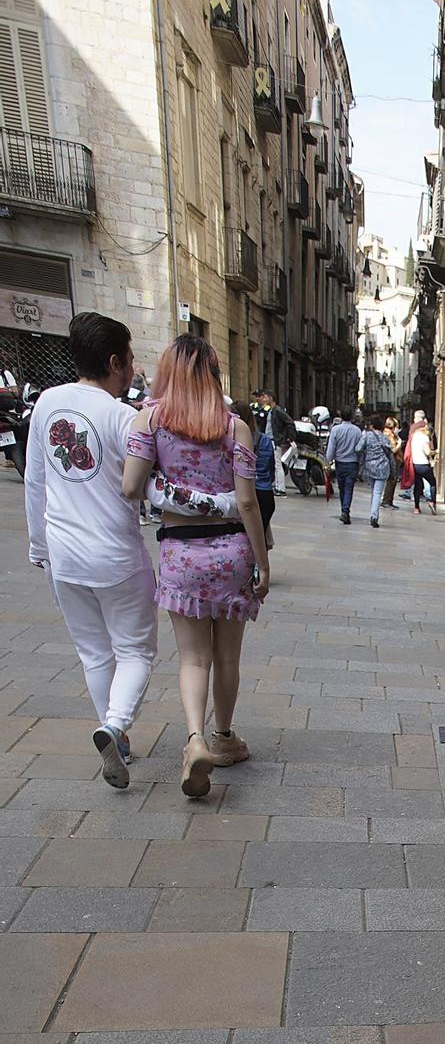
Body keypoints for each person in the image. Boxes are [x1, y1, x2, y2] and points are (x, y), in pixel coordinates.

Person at [122, 335, 269, 798]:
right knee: (228, 656)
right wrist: (263, 563)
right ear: (213, 376)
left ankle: (194, 740)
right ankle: (224, 736)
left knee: (192, 657)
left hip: (180, 553)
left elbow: (130, 485)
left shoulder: (151, 420)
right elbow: (247, 502)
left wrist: (165, 487)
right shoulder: (234, 428)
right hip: (230, 552)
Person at [24, 310, 157, 789]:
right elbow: (146, 488)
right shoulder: (124, 417)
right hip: (116, 554)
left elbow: (35, 481)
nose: (132, 371)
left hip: (63, 554)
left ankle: (115, 741)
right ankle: (115, 725)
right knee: (136, 651)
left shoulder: (45, 403)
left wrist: (39, 546)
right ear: (114, 361)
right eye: (130, 362)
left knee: (95, 654)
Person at [326, 407, 365, 522]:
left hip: (340, 463)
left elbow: (331, 447)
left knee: (342, 487)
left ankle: (344, 510)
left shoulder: (335, 430)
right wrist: (360, 462)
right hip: (353, 463)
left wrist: (328, 460)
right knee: (349, 488)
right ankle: (345, 510)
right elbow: (360, 448)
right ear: (352, 416)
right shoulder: (357, 431)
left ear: (341, 416)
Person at [360, 414, 395, 528]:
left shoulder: (366, 436)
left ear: (371, 425)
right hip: (383, 468)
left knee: (373, 491)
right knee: (377, 492)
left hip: (370, 467)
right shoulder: (385, 437)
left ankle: (373, 513)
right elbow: (390, 453)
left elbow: (358, 448)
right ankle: (374, 516)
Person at [403, 409, 437, 514]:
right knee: (432, 483)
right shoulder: (424, 437)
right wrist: (435, 452)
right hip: (423, 465)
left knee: (417, 485)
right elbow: (427, 452)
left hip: (415, 464)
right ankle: (432, 501)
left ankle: (416, 508)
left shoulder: (414, 436)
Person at [382, 415, 401, 508]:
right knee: (391, 480)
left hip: (395, 460)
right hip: (392, 460)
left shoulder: (390, 434)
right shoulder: (389, 435)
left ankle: (389, 501)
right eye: (396, 426)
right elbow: (393, 450)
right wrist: (400, 445)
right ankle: (386, 501)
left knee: (393, 480)